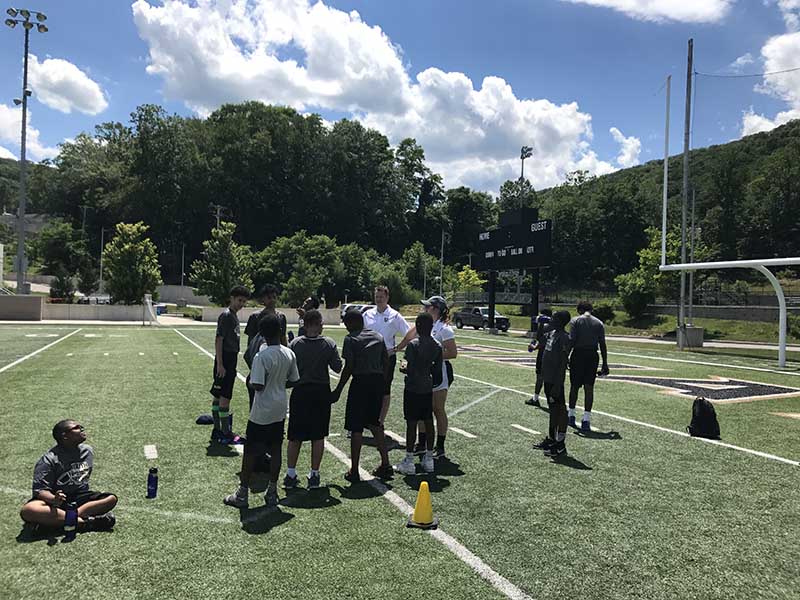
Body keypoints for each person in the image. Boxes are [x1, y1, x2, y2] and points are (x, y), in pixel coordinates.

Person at [224, 314, 299, 510]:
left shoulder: (262, 356)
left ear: (262, 335)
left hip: (262, 409)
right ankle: (272, 492)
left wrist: (250, 380)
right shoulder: (288, 353)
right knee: (275, 448)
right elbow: (294, 379)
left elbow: (257, 385)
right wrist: (279, 383)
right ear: (280, 332)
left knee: (250, 451)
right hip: (281, 407)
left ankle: (242, 494)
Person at [20, 420, 117, 532]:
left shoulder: (87, 451)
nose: (81, 428)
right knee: (28, 510)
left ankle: (54, 522)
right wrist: (54, 499)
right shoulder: (48, 460)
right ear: (65, 436)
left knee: (110, 499)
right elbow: (40, 491)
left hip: (78, 497)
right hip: (55, 502)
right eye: (76, 427)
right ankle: (85, 522)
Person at [332, 309, 393, 482]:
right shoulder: (378, 336)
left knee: (356, 427)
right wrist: (383, 383)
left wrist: (338, 390)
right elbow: (386, 361)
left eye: (346, 322)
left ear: (352, 322)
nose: (345, 325)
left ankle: (354, 470)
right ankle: (386, 464)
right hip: (377, 383)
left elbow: (349, 366)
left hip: (360, 383)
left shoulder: (351, 339)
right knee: (376, 424)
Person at [284, 309, 343, 489]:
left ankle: (291, 473)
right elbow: (337, 367)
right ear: (317, 324)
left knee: (295, 436)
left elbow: (288, 371)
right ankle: (314, 474)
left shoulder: (295, 344)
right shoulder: (328, 343)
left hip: (300, 392)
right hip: (320, 392)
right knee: (318, 435)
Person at [397, 295, 457, 460]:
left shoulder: (444, 328)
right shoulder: (424, 325)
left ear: (436, 309)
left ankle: (440, 446)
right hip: (422, 375)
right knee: (424, 410)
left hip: (438, 374)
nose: (424, 309)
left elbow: (452, 353)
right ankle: (422, 444)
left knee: (437, 409)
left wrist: (430, 357)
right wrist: (397, 348)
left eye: (428, 307)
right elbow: (410, 336)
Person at [394, 312, 442, 475]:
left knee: (412, 422)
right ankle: (429, 458)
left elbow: (406, 367)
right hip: (427, 387)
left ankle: (409, 460)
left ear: (419, 326)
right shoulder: (437, 346)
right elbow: (437, 372)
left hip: (413, 387)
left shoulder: (413, 345)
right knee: (428, 421)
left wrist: (403, 367)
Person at [362, 285, 411, 424]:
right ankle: (365, 419)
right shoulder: (367, 314)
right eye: (376, 297)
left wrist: (397, 348)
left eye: (381, 297)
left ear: (387, 297)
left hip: (386, 358)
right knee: (367, 389)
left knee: (384, 390)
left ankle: (380, 421)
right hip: (369, 358)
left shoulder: (394, 315)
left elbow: (409, 334)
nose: (378, 300)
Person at [211, 285, 250, 444]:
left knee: (218, 396)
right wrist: (220, 364)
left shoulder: (232, 316)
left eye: (244, 301)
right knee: (224, 397)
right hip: (226, 359)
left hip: (228, 359)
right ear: (232, 298)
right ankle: (225, 432)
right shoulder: (226, 316)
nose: (241, 304)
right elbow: (219, 339)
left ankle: (217, 430)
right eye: (239, 300)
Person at [533, 311, 572, 457]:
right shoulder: (551, 333)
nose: (551, 320)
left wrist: (558, 383)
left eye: (554, 318)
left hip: (555, 380)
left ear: (560, 321)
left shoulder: (564, 338)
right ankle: (551, 439)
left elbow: (562, 363)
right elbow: (538, 341)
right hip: (548, 379)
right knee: (553, 410)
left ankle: (560, 443)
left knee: (561, 410)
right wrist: (540, 324)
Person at [567, 300, 610, 432]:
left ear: (579, 310)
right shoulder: (598, 323)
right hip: (592, 356)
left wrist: (566, 356)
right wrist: (605, 363)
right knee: (589, 387)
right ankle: (586, 419)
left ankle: (571, 415)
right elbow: (602, 344)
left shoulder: (575, 321)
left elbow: (572, 340)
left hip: (578, 355)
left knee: (574, 386)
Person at [244, 284, 288, 409]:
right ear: (263, 300)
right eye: (269, 297)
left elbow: (283, 338)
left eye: (274, 297)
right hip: (260, 362)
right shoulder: (255, 317)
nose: (272, 300)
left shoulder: (281, 317)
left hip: (276, 364)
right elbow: (251, 344)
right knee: (255, 402)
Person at [526, 307, 553, 407]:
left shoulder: (545, 326)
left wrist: (533, 347)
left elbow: (542, 342)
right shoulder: (554, 325)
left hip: (544, 354)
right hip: (552, 354)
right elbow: (538, 338)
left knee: (540, 377)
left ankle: (537, 398)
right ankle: (545, 398)